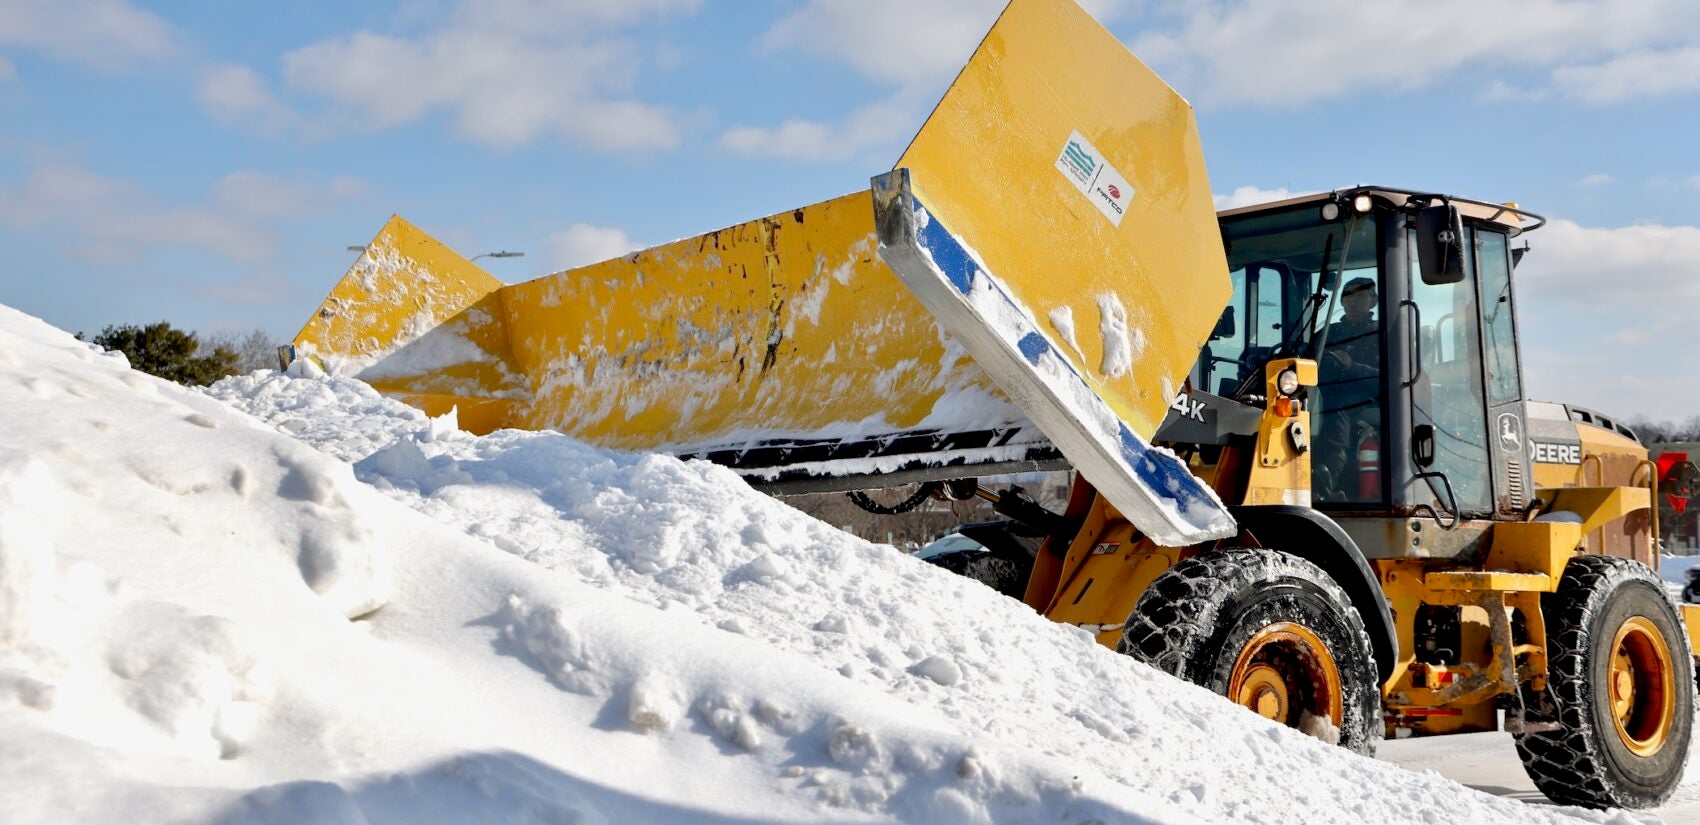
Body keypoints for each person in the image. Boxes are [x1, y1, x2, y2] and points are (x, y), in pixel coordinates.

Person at [1315, 277, 1383, 501]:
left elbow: (1387, 378)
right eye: (1349, 295)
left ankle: (1327, 480)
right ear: (1342, 301)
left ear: (1373, 302)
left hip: (1366, 397)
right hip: (1323, 392)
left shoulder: (1382, 334)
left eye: (1361, 295)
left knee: (1337, 403)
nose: (1354, 301)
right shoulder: (1328, 333)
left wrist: (1352, 366)